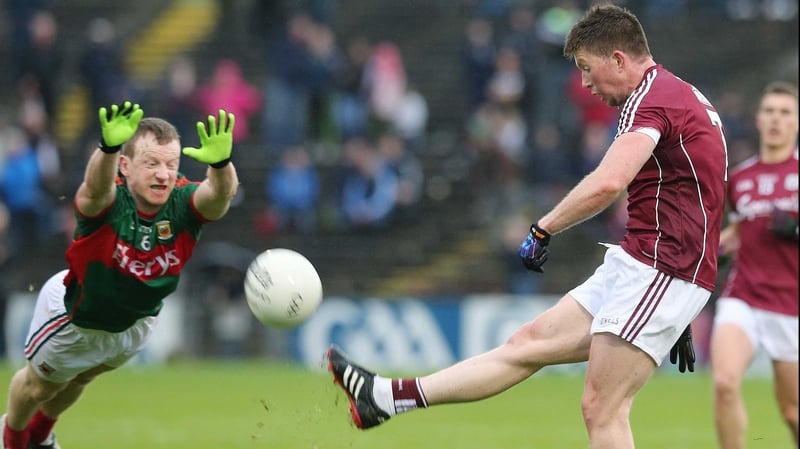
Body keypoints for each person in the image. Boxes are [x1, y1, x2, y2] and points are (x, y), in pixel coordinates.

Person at [327, 5, 728, 448]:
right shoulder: (674, 94)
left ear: (618, 59)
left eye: (587, 69)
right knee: (526, 344)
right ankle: (384, 398)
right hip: (647, 264)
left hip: (662, 268)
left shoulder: (652, 99)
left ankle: (385, 399)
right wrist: (680, 309)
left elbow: (609, 183)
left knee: (603, 407)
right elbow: (698, 194)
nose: (586, 84)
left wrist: (543, 228)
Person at [1, 101, 239, 449]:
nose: (163, 174)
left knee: (80, 378)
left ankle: (40, 436)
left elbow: (219, 198)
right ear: (125, 165)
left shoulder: (182, 203)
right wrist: (108, 148)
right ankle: (12, 438)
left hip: (134, 324)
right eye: (152, 163)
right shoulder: (109, 200)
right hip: (74, 316)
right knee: (42, 386)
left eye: (171, 165)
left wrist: (220, 165)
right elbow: (94, 190)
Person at [711, 81, 798, 449]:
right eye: (770, 112)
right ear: (758, 120)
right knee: (725, 383)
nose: (776, 119)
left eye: (785, 112)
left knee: (793, 412)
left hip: (791, 303)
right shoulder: (741, 178)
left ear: (796, 122)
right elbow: (735, 232)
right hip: (743, 293)